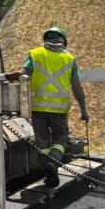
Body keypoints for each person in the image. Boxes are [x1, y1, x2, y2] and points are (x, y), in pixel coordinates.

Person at [23, 26, 90, 187]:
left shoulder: (35, 54)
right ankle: (53, 163)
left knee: (43, 142)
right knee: (61, 139)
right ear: (63, 42)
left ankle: (48, 169)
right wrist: (83, 110)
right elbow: (77, 87)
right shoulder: (70, 59)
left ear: (45, 40)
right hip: (59, 110)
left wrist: (22, 104)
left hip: (38, 109)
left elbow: (23, 77)